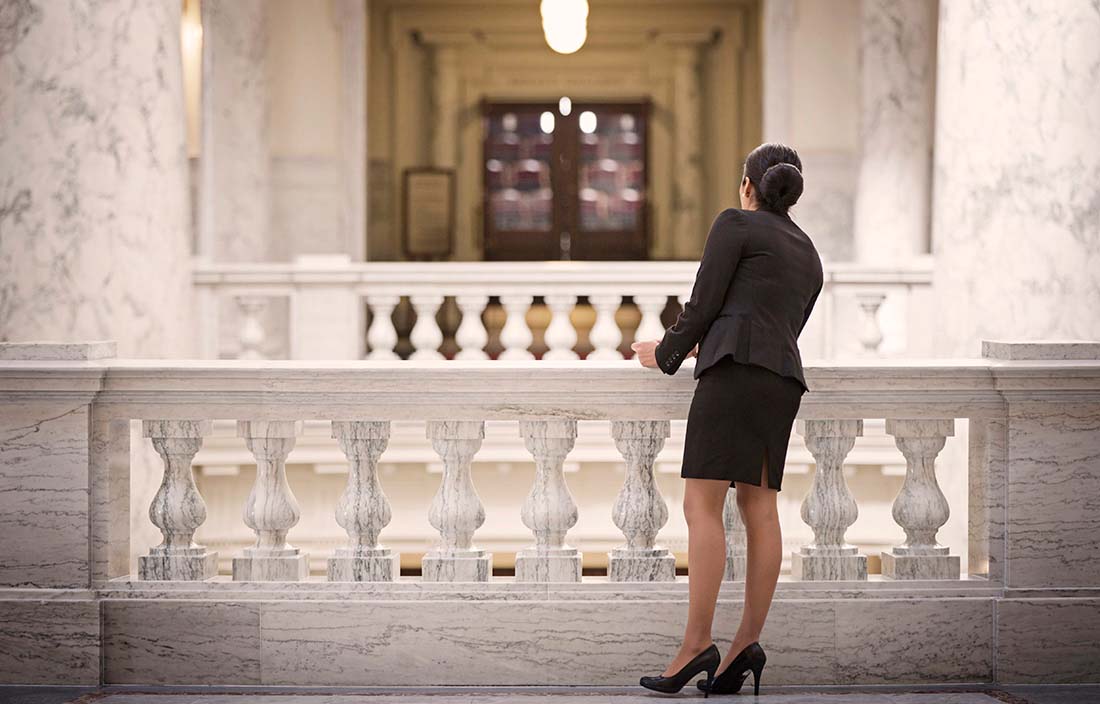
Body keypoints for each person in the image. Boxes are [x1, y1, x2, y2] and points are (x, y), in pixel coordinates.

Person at [631, 142, 823, 697]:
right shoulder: (809, 252)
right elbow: (775, 322)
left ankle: (696, 646)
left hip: (735, 376)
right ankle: (744, 646)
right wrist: (703, 348)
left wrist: (666, 352)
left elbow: (705, 303)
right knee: (761, 508)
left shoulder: (735, 224)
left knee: (701, 504)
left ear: (748, 186)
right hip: (781, 380)